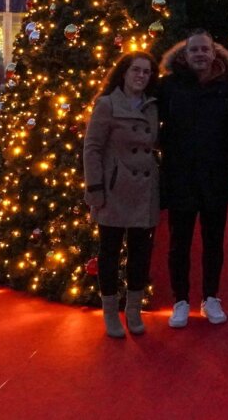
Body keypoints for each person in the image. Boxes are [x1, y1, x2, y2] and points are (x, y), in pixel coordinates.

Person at [158, 29, 228, 327]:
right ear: (185, 54)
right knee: (179, 243)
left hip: (215, 176)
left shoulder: (227, 87)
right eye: (195, 50)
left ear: (214, 53)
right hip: (180, 176)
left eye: (205, 49)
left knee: (213, 242)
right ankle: (180, 300)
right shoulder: (169, 86)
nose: (200, 54)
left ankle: (211, 297)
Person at [83, 50, 160, 338]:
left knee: (140, 252)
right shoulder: (107, 104)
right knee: (110, 252)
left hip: (144, 189)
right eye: (136, 70)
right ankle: (110, 312)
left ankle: (134, 310)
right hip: (115, 189)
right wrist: (95, 188)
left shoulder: (152, 106)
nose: (141, 76)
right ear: (124, 73)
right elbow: (92, 148)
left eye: (146, 72)